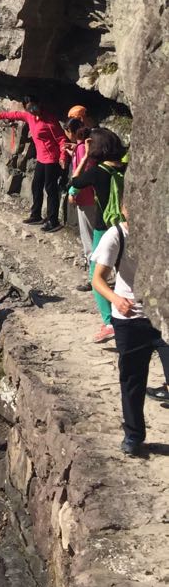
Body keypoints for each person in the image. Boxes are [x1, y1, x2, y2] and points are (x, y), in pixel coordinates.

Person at [92, 209, 169, 456]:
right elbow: (98, 279)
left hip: (162, 317)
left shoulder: (161, 230)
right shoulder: (116, 236)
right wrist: (116, 298)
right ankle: (133, 436)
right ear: (125, 207)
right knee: (133, 381)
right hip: (130, 320)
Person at [69, 127, 127, 343]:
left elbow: (74, 182)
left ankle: (109, 322)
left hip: (105, 229)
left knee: (97, 277)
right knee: (125, 274)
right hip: (128, 227)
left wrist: (83, 157)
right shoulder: (126, 168)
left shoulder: (97, 171)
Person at [0, 96, 67, 232]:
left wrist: (63, 157)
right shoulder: (29, 116)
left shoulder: (50, 120)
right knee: (36, 186)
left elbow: (62, 140)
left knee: (50, 189)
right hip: (41, 159)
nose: (32, 110)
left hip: (52, 160)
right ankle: (36, 215)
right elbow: (15, 114)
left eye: (34, 107)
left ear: (39, 104)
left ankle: (53, 220)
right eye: (29, 108)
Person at [64, 118, 96, 271]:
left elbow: (83, 172)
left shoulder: (83, 149)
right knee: (88, 235)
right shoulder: (81, 147)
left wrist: (74, 192)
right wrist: (73, 151)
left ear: (72, 132)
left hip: (86, 198)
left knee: (88, 237)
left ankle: (93, 274)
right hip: (87, 197)